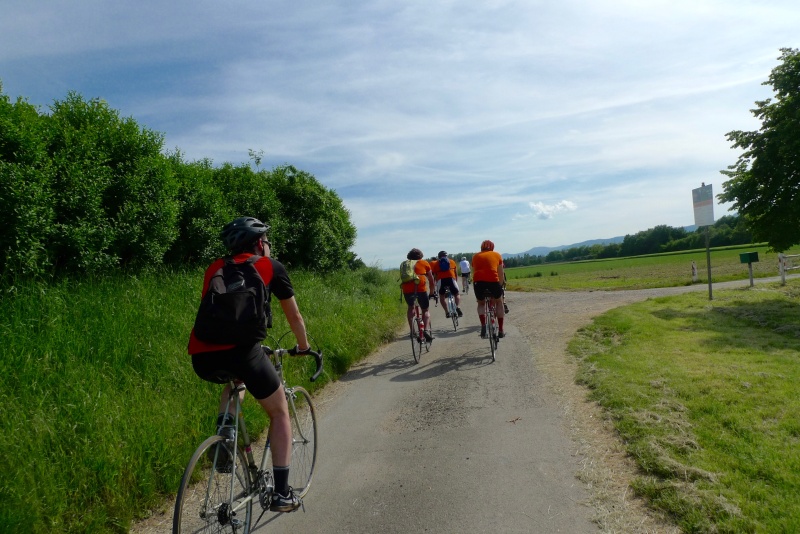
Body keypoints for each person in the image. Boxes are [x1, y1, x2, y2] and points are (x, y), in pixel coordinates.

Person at [187, 216, 310, 513]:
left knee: (234, 382)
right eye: (266, 240)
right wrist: (304, 347)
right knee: (280, 413)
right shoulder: (271, 266)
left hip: (202, 356)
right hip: (243, 353)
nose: (268, 245)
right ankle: (282, 494)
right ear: (258, 242)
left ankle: (226, 432)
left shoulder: (215, 267)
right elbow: (294, 317)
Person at [471, 239, 506, 338]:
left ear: (481, 248)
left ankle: (483, 325)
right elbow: (501, 274)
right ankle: (501, 330)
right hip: (493, 282)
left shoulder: (475, 257)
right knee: (499, 302)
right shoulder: (497, 255)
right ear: (492, 248)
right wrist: (500, 285)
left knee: (481, 303)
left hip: (478, 282)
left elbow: (474, 272)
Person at [401, 248, 436, 342]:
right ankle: (425, 330)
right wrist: (432, 292)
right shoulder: (424, 263)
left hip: (407, 290)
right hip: (420, 289)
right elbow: (431, 280)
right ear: (420, 256)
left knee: (411, 307)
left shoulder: (404, 264)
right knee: (425, 310)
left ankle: (412, 331)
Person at [431, 250, 463, 318]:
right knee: (456, 294)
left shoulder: (436, 263)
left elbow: (434, 275)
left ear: (439, 257)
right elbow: (456, 273)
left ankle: (447, 312)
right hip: (451, 279)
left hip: (441, 280)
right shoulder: (452, 261)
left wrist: (436, 284)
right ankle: (457, 307)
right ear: (446, 256)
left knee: (442, 296)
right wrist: (455, 281)